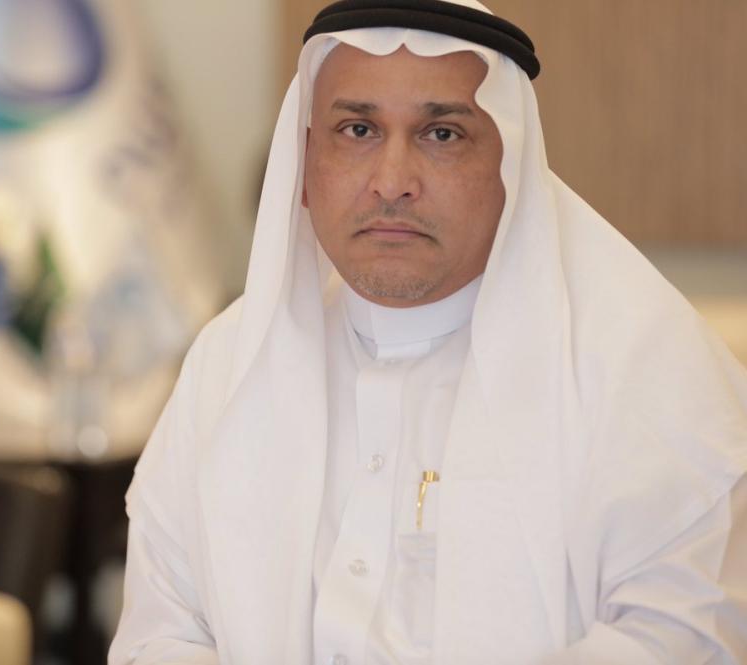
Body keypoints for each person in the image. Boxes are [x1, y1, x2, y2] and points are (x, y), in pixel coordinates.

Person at [108, 1, 747, 663]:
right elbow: (162, 632)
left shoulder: (642, 370)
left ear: (512, 169)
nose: (392, 183)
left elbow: (687, 636)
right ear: (304, 167)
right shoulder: (227, 364)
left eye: (442, 134)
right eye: (358, 129)